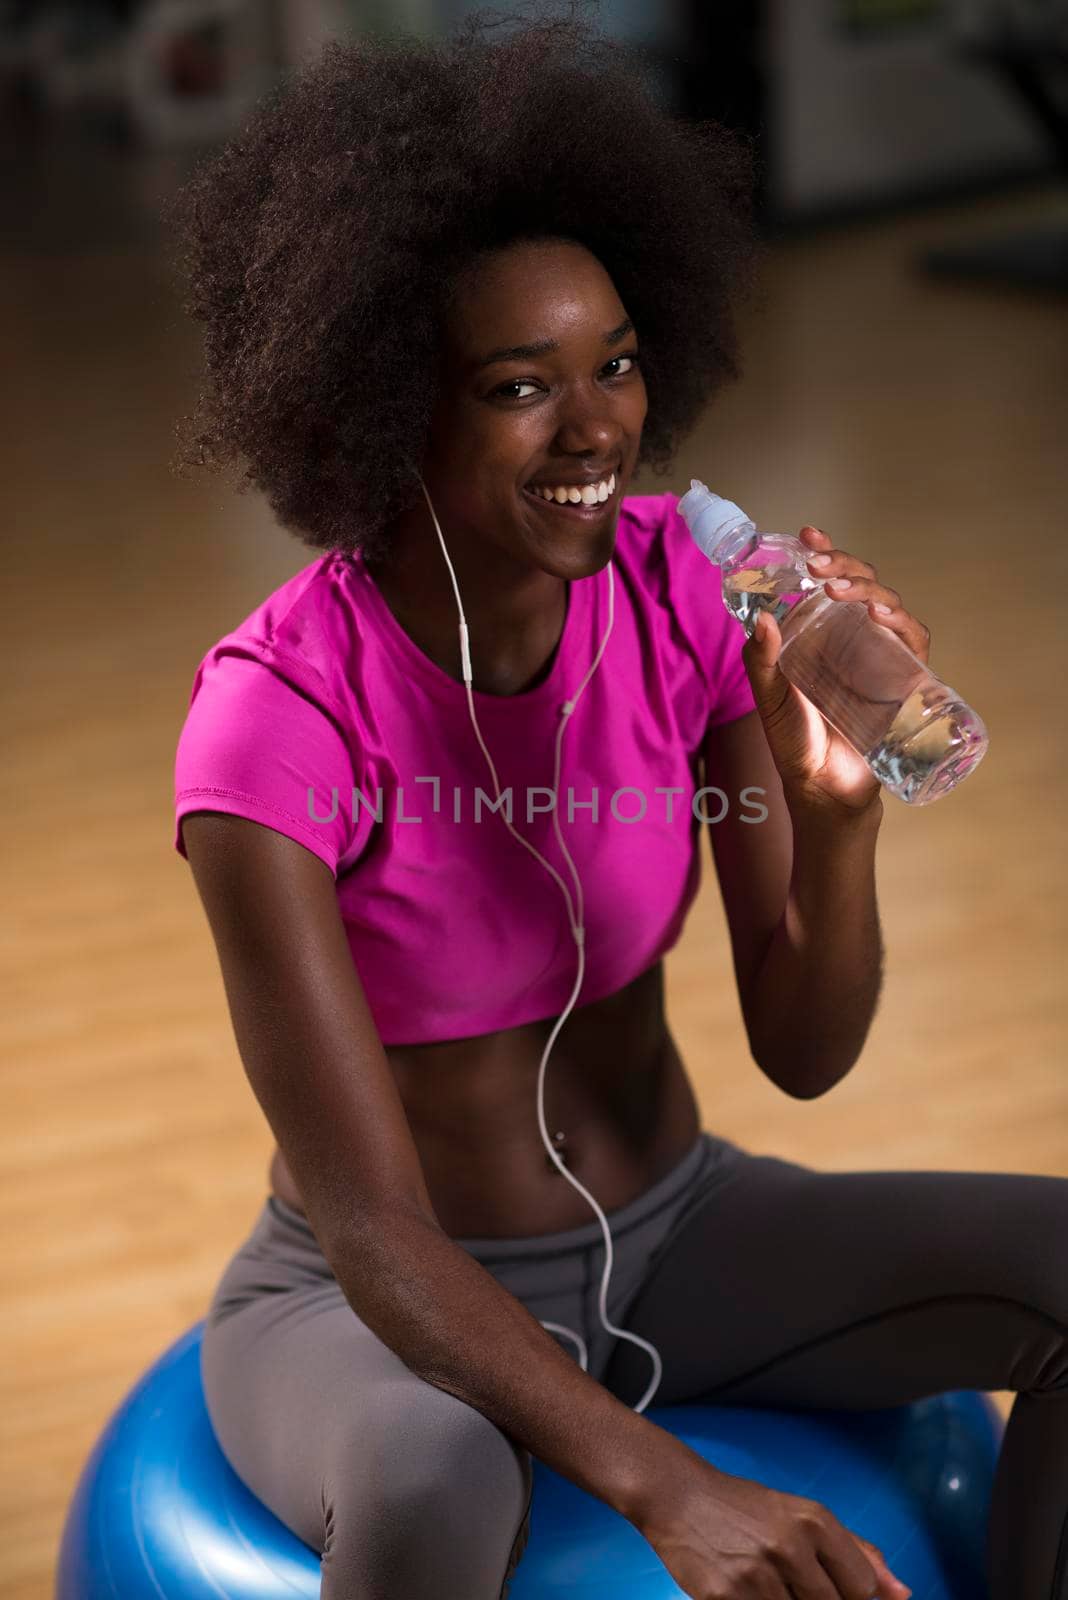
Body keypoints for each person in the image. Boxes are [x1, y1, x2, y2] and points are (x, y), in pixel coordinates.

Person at [165, 9, 1068, 1598]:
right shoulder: (275, 718)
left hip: (674, 1228)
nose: (596, 432)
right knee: (437, 1471)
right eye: (521, 386)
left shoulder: (688, 595)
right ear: (383, 405)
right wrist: (672, 1491)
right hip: (373, 1298)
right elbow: (377, 1233)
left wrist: (836, 819)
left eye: (619, 364)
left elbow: (801, 1051)